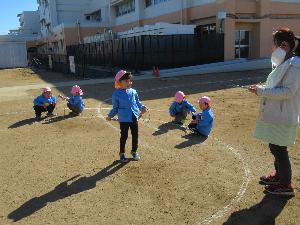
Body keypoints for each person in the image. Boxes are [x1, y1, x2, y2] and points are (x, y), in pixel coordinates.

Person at [248, 28, 300, 196]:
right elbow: (278, 85)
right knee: (275, 146)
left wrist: (262, 91)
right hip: (278, 113)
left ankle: (285, 184)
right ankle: (279, 176)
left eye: (274, 44)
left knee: (279, 149)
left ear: (283, 45)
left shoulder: (295, 64)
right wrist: (262, 88)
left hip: (283, 115)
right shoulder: (288, 62)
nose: (272, 48)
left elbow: (287, 92)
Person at [107, 70, 147, 162]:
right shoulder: (116, 94)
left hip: (134, 117)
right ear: (119, 82)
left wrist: (142, 107)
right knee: (124, 136)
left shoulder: (133, 91)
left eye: (130, 80)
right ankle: (122, 153)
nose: (129, 83)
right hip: (124, 119)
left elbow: (137, 102)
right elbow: (115, 108)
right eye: (126, 81)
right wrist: (110, 116)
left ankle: (134, 151)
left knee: (135, 135)